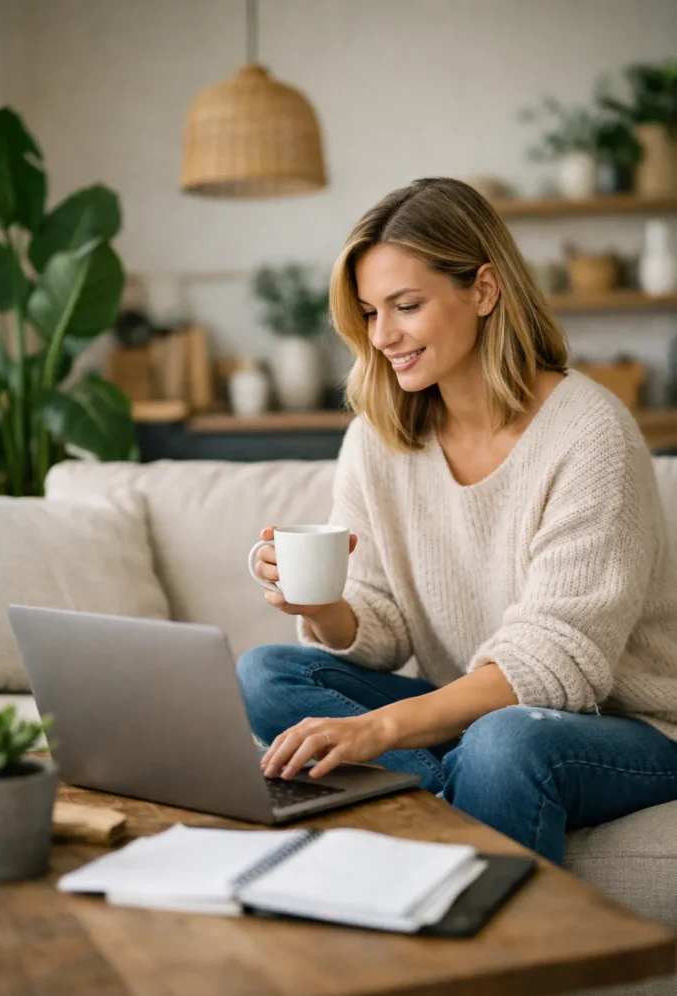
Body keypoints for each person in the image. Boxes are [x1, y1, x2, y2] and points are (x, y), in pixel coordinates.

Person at [237, 177, 677, 865]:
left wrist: (379, 732)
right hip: (467, 713)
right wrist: (324, 609)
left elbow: (554, 660)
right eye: (369, 312)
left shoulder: (589, 434)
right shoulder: (378, 437)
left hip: (622, 725)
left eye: (406, 306)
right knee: (265, 674)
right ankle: (454, 793)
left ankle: (449, 855)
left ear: (483, 290)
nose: (382, 336)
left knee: (504, 742)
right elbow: (381, 627)